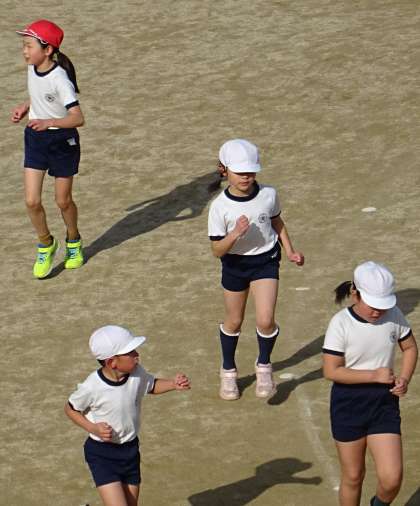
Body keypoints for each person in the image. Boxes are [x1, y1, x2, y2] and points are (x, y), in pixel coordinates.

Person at [208, 139, 304, 401]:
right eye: (240, 172)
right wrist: (234, 235)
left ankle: (264, 366)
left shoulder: (268, 194)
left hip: (265, 261)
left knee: (265, 320)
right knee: (234, 321)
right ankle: (228, 371)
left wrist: (290, 251)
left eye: (251, 172)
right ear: (224, 170)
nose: (246, 177)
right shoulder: (219, 207)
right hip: (235, 266)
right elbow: (217, 250)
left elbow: (277, 222)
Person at [322, 261, 418, 506]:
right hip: (348, 405)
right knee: (353, 476)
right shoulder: (340, 323)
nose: (378, 312)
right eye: (373, 305)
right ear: (355, 293)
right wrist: (373, 376)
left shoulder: (394, 315)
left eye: (382, 306)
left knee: (392, 478)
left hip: (384, 404)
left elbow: (409, 348)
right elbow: (331, 370)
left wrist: (405, 378)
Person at [65, 325, 190, 506]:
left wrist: (172, 384)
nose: (137, 355)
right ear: (112, 362)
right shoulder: (92, 387)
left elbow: (151, 385)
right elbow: (70, 409)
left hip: (130, 451)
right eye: (130, 352)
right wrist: (93, 428)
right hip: (102, 454)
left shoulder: (137, 373)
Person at [12, 19, 84, 278]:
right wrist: (27, 106)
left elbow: (78, 118)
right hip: (36, 139)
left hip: (62, 142)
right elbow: (39, 94)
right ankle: (46, 244)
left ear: (48, 50)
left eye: (29, 46)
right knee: (31, 201)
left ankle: (73, 241)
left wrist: (48, 121)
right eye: (24, 45)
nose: (25, 51)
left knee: (62, 201)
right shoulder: (33, 68)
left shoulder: (60, 79)